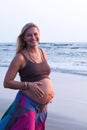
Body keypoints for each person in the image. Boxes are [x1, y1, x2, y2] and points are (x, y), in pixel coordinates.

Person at [0, 22, 54, 130]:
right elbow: (7, 82)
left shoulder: (43, 53)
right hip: (27, 102)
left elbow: (44, 75)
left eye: (35, 34)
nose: (33, 37)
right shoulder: (20, 57)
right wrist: (27, 85)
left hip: (42, 106)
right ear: (24, 38)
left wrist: (49, 93)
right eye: (29, 35)